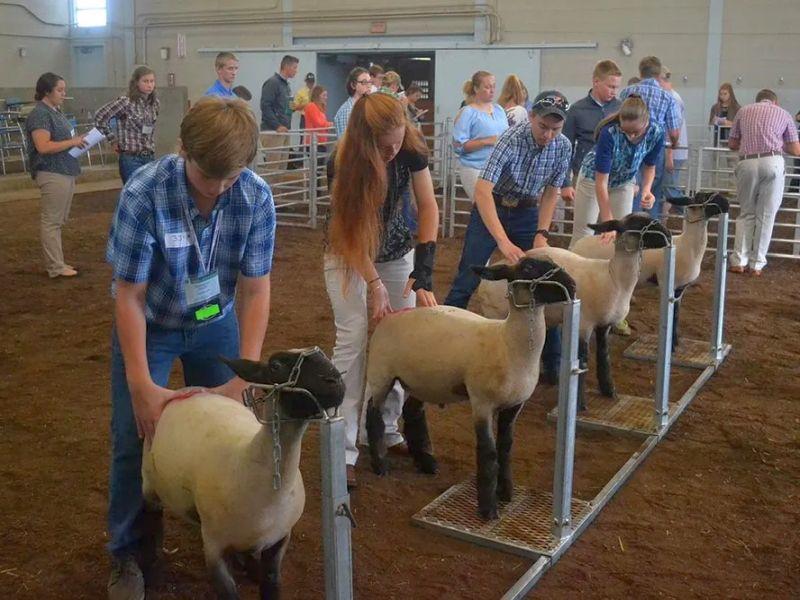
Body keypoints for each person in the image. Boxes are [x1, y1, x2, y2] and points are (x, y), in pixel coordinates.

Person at [104, 97, 275, 599]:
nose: (220, 188)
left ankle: (238, 530)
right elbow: (128, 296)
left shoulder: (255, 195)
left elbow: (257, 287)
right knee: (135, 434)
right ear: (183, 150)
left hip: (213, 317)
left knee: (238, 428)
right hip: (151, 322)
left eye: (232, 176)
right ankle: (128, 551)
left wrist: (245, 373)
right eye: (209, 176)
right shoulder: (144, 192)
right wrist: (140, 381)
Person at [324, 93, 439, 489]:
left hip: (394, 250)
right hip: (349, 253)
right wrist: (373, 284)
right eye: (384, 145)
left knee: (399, 337)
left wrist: (423, 272)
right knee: (353, 338)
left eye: (397, 141)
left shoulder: (409, 150)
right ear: (365, 141)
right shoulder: (342, 164)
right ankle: (341, 450)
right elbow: (350, 233)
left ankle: (388, 429)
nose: (392, 151)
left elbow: (428, 207)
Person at [444, 90, 571, 379]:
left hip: (528, 212)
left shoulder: (563, 146)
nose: (549, 134)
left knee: (541, 280)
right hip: (493, 207)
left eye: (556, 128)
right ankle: (444, 340)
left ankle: (553, 361)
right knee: (469, 274)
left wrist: (542, 232)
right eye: (543, 127)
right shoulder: (510, 139)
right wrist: (502, 240)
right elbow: (482, 190)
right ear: (532, 117)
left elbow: (552, 191)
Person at [569, 95, 663, 248]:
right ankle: (573, 266)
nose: (631, 135)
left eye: (636, 132)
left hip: (624, 181)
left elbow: (650, 166)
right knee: (583, 234)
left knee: (622, 233)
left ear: (646, 122)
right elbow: (601, 183)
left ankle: (613, 270)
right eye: (626, 131)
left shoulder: (656, 132)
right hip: (592, 180)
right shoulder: (609, 133)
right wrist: (608, 222)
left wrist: (646, 190)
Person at [728, 89, 800, 275]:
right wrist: (777, 142)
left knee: (746, 213)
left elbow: (732, 144)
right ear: (774, 102)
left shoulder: (743, 112)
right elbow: (796, 149)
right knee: (766, 216)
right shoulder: (783, 113)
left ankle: (738, 260)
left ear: (757, 100)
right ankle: (757, 264)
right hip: (773, 161)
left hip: (747, 162)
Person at [25, 72, 87, 279]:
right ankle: (55, 266)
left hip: (64, 169)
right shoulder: (41, 115)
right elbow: (42, 146)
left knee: (57, 220)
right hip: (52, 171)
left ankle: (58, 262)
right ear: (46, 91)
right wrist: (73, 142)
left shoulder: (54, 112)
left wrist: (78, 141)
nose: (63, 94)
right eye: (59, 90)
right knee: (52, 221)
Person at [619, 56, 681, 218]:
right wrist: (673, 144)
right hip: (655, 146)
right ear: (659, 73)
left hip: (628, 144)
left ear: (640, 72)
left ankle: (629, 224)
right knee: (652, 191)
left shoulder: (627, 92)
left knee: (630, 186)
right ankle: (651, 232)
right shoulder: (667, 96)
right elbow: (674, 131)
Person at [561, 60, 623, 203]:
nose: (614, 91)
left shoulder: (621, 109)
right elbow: (566, 148)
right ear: (596, 82)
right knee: (582, 223)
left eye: (617, 87)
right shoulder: (576, 110)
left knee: (613, 223)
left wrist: (634, 180)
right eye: (611, 86)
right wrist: (565, 183)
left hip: (615, 178)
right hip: (584, 176)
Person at [94, 66, 160, 184]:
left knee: (149, 193)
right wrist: (112, 139)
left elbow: (150, 128)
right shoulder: (126, 102)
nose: (149, 85)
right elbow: (100, 116)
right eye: (145, 81)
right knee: (134, 192)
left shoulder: (154, 103)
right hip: (131, 157)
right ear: (136, 83)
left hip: (149, 155)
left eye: (152, 81)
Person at [452, 71, 508, 203]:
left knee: (500, 209)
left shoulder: (499, 110)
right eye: (487, 87)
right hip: (475, 168)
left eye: (494, 86)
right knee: (483, 207)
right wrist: (487, 141)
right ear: (476, 89)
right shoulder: (467, 112)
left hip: (499, 168)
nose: (492, 90)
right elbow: (458, 146)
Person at [260, 55, 299, 170]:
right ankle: (269, 188)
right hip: (273, 131)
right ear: (286, 66)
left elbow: (282, 107)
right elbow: (265, 106)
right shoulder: (272, 83)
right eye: (294, 67)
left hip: (284, 130)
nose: (296, 71)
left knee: (281, 168)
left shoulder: (286, 85)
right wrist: (277, 125)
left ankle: (277, 189)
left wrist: (292, 107)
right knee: (273, 169)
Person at [658, 66, 689, 203]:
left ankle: (692, 213)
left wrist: (669, 155)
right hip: (671, 150)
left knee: (670, 189)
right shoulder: (672, 96)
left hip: (672, 151)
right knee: (664, 188)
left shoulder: (672, 98)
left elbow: (673, 128)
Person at [333, 67, 371, 138]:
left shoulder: (365, 106)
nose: (369, 86)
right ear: (353, 85)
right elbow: (347, 141)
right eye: (364, 82)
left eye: (370, 82)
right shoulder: (347, 110)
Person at [303, 85, 333, 160]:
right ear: (318, 96)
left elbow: (321, 123)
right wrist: (329, 124)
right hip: (314, 142)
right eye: (324, 95)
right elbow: (318, 123)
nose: (326, 97)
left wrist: (327, 124)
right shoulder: (311, 106)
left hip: (321, 142)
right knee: (316, 166)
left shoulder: (320, 108)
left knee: (319, 165)